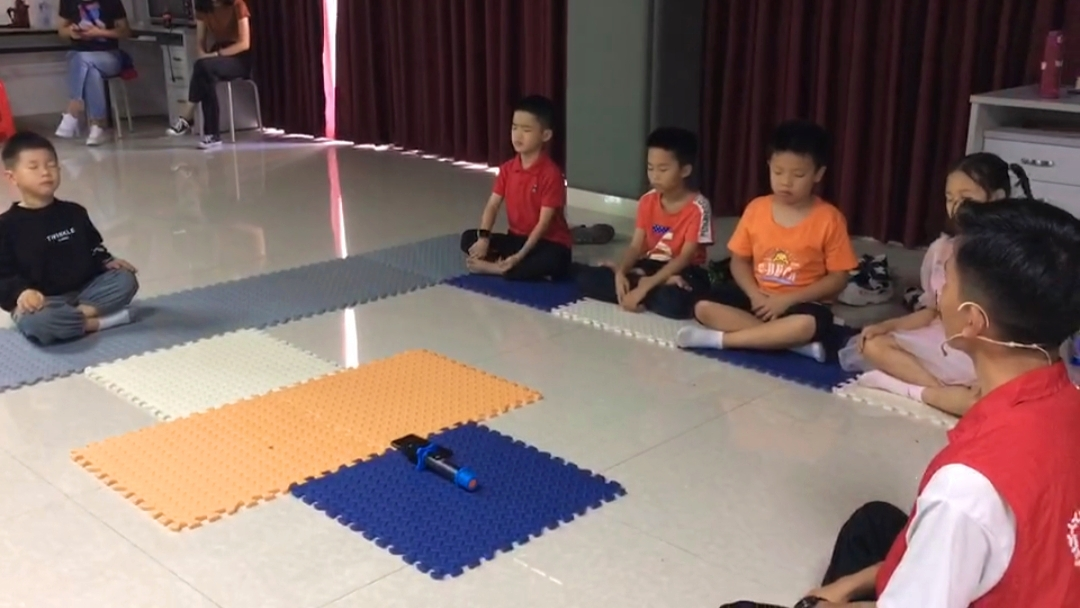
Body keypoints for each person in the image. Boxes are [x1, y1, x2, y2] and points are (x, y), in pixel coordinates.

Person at [727, 199, 1080, 608]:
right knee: (875, 524)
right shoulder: (1067, 398)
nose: (939, 293)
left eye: (947, 281)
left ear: (972, 320)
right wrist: (852, 585)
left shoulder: (966, 489)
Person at [850, 153, 1033, 416]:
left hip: (986, 346)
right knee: (873, 344)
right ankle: (939, 391)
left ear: (997, 198)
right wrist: (886, 326)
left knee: (1001, 399)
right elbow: (932, 312)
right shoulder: (942, 249)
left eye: (966, 198)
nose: (956, 207)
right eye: (949, 198)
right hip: (942, 339)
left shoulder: (1009, 252)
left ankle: (915, 389)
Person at [675, 120, 858, 362]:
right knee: (703, 306)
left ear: (818, 174)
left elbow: (838, 278)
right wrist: (754, 295)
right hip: (758, 298)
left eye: (798, 175)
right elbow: (739, 261)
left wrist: (787, 300)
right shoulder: (756, 208)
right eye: (778, 172)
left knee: (807, 324)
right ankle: (791, 345)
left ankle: (721, 340)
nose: (786, 182)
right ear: (769, 165)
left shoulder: (830, 218)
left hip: (802, 303)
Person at [0, 132, 138, 345]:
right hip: (43, 302)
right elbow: (4, 275)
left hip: (85, 291)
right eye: (33, 167)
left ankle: (72, 319)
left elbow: (93, 246)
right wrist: (22, 293)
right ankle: (96, 323)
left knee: (126, 279)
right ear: (12, 177)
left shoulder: (74, 212)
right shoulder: (6, 225)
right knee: (37, 321)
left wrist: (107, 261)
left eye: (51, 165)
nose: (45, 172)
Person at [574, 127, 713, 319]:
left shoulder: (699, 207)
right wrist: (621, 272)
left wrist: (647, 285)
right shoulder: (647, 200)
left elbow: (685, 257)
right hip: (650, 265)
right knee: (584, 279)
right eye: (650, 168)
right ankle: (641, 283)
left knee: (677, 304)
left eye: (663, 169)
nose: (655, 176)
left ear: (685, 170)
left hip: (684, 270)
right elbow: (636, 246)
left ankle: (643, 285)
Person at [460, 95, 573, 281]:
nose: (518, 135)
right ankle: (509, 265)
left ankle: (498, 268)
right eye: (514, 128)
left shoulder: (551, 174)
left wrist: (519, 256)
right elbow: (493, 205)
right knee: (468, 238)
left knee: (555, 261)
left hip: (548, 242)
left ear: (545, 135)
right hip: (517, 238)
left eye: (526, 130)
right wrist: (484, 238)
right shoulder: (507, 169)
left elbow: (543, 225)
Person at [166, 0, 252, 150]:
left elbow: (244, 43)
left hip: (238, 58)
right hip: (215, 57)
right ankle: (211, 135)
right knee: (205, 71)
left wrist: (216, 54)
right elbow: (200, 42)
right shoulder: (204, 8)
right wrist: (202, 54)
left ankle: (188, 116)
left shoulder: (238, 5)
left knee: (204, 68)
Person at [54, 0, 131, 146]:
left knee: (82, 60)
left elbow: (125, 31)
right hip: (79, 54)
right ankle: (97, 127)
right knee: (91, 71)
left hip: (109, 56)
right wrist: (72, 32)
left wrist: (100, 33)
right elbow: (61, 30)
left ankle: (73, 109)